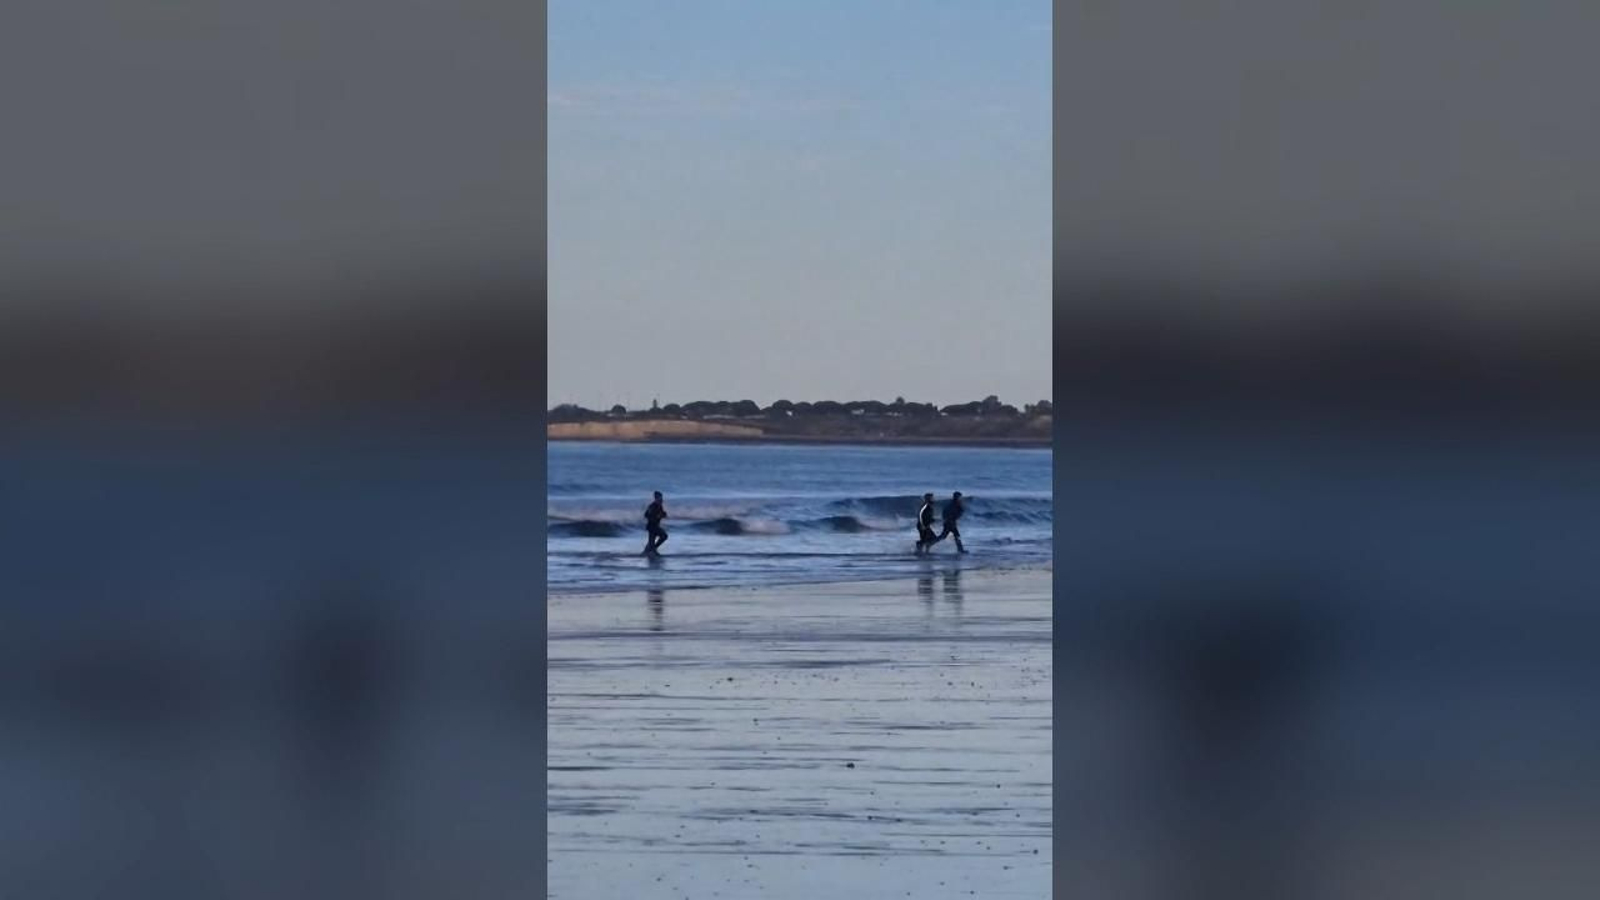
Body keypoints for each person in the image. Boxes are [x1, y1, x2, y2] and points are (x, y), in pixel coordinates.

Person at [642, 491, 669, 556]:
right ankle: (650, 551)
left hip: (655, 526)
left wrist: (663, 515)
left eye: (661, 497)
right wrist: (655, 516)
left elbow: (662, 514)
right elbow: (646, 515)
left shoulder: (659, 506)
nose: (661, 499)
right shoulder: (652, 506)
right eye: (660, 498)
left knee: (662, 537)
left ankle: (650, 550)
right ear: (656, 498)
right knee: (661, 537)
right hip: (651, 527)